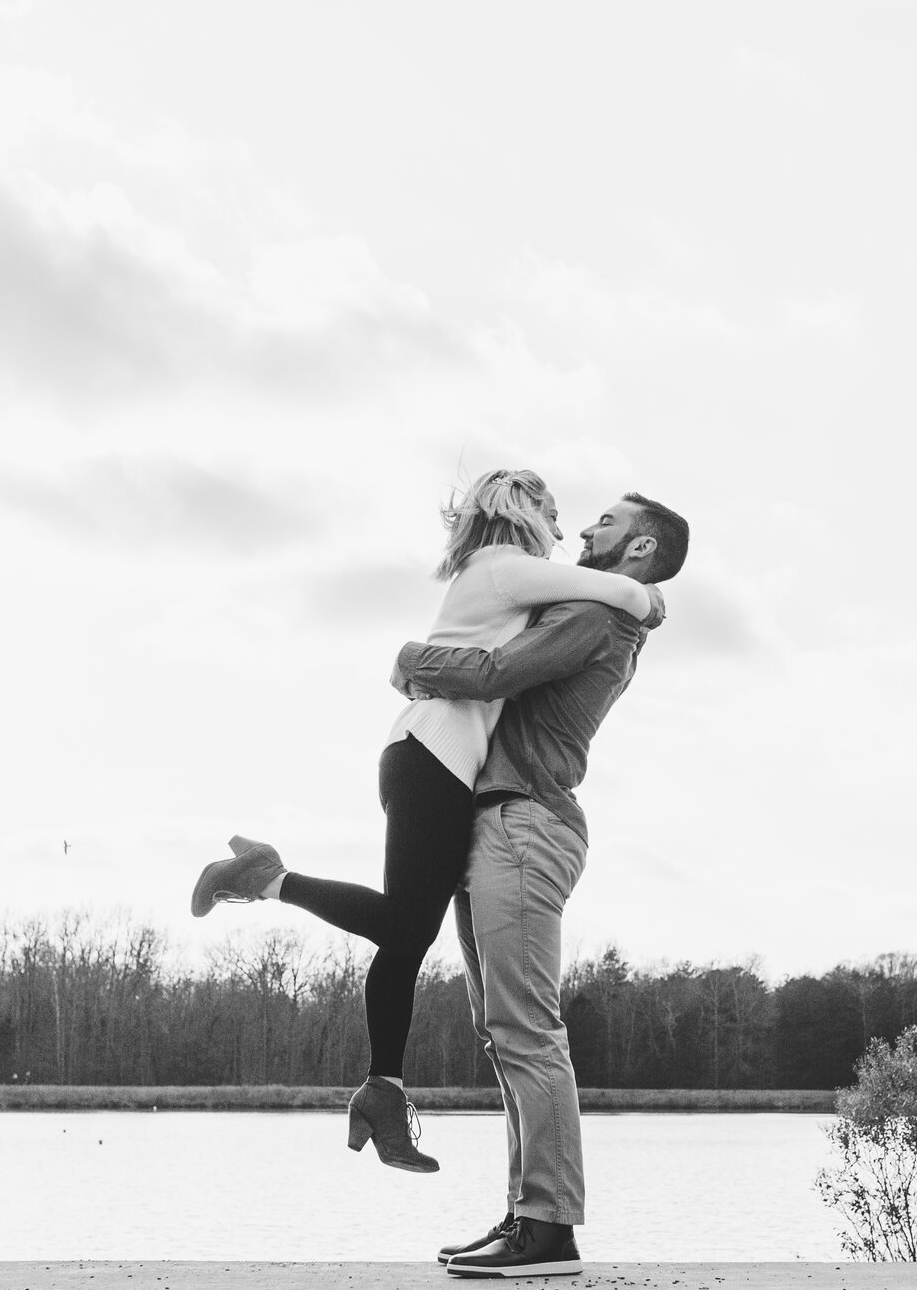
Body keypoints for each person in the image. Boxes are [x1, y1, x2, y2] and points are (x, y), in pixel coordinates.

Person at [188, 469, 664, 1172]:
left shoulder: (506, 575)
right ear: (524, 509)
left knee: (406, 938)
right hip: (434, 754)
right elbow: (620, 594)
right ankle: (265, 877)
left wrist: (415, 660)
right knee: (407, 925)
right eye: (557, 515)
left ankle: (384, 1090)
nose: (566, 533)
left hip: (427, 754)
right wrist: (649, 596)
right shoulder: (503, 567)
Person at [398, 492, 689, 1278]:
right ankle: (527, 1211)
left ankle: (550, 1226)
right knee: (501, 1031)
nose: (587, 528)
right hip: (496, 822)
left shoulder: (595, 620)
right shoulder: (589, 604)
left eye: (606, 522)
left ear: (638, 550)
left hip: (527, 822)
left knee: (527, 1027)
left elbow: (497, 671)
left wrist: (412, 662)